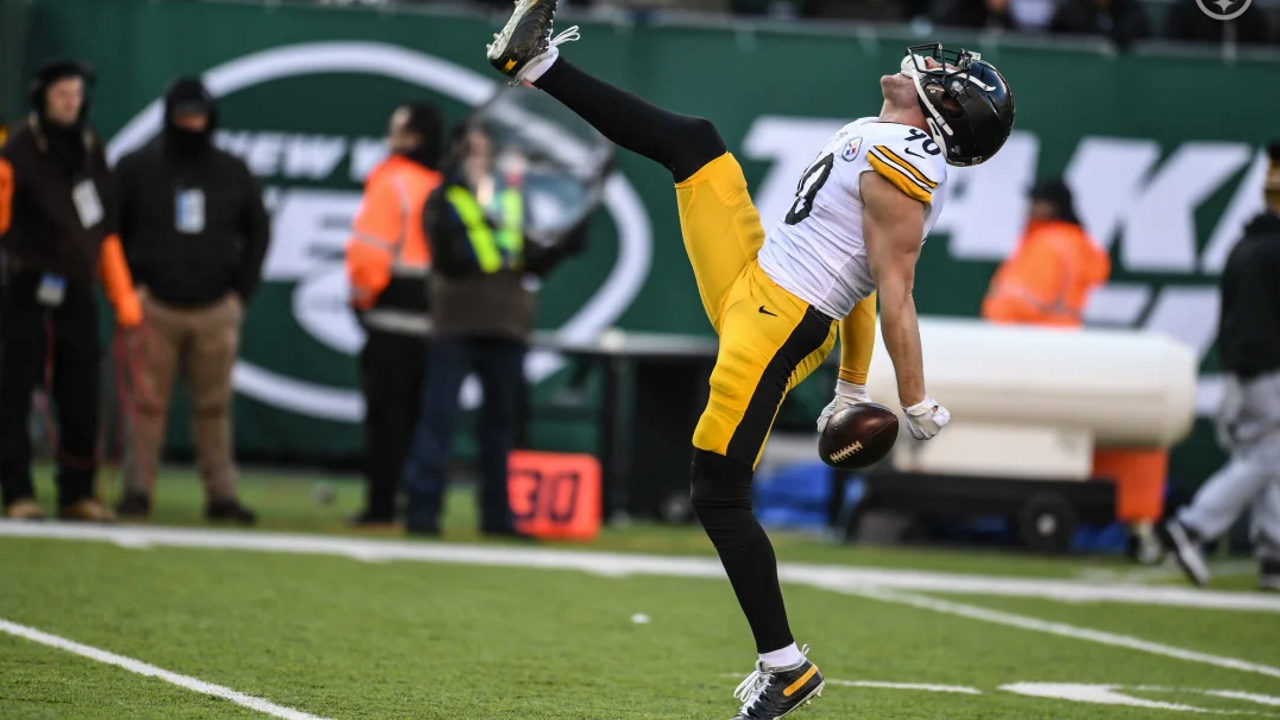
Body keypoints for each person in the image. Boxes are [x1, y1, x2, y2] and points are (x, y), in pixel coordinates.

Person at [484, 3, 1014, 717]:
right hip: (755, 279)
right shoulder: (885, 139)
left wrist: (910, 397)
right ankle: (535, 63)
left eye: (953, 79)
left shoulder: (907, 162)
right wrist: (849, 389)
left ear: (945, 112)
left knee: (717, 490)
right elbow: (860, 277)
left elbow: (892, 293)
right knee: (695, 145)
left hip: (778, 320)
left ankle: (786, 666)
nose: (936, 66)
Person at [402, 123, 574, 537]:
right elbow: (448, 256)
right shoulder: (445, 197)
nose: (479, 157)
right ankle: (422, 514)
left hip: (507, 325)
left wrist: (567, 237)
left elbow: (533, 258)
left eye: (485, 149)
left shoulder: (513, 197)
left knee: (500, 427)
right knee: (438, 419)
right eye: (471, 149)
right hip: (456, 324)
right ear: (457, 154)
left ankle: (499, 517)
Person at [112, 77, 269, 523]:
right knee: (146, 404)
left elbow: (258, 231)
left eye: (198, 117)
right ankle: (137, 491)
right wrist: (131, 289)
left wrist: (239, 293)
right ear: (169, 118)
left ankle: (222, 495)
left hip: (216, 308)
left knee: (214, 406)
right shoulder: (137, 167)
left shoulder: (232, 170)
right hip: (154, 306)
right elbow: (112, 235)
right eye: (183, 117)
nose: (191, 125)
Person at [0, 60, 142, 521]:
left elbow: (105, 232)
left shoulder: (88, 147)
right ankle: (17, 491)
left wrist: (122, 298)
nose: (71, 101)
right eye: (62, 92)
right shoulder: (17, 147)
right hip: (24, 287)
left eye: (76, 93)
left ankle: (77, 492)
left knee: (81, 394)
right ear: (42, 96)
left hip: (77, 290)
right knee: (13, 393)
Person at [1160, 143, 1280, 593]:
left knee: (1271, 458)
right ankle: (1193, 526)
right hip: (1266, 369)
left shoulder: (1246, 247)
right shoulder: (1269, 252)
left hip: (1246, 369)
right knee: (1266, 457)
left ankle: (1273, 557)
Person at [345, 103, 443, 527]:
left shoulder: (392, 181)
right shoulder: (446, 182)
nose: (392, 139)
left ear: (413, 137)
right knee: (426, 421)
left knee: (385, 419)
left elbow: (368, 254)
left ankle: (381, 506)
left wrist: (363, 300)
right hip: (438, 322)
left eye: (398, 131)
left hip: (389, 318)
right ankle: (420, 506)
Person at [981, 179, 1109, 327]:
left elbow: (1028, 299)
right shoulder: (1070, 241)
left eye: (1037, 202)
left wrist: (997, 312)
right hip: (1057, 334)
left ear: (1052, 207)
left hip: (1034, 335)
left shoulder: (1050, 244)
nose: (1030, 208)